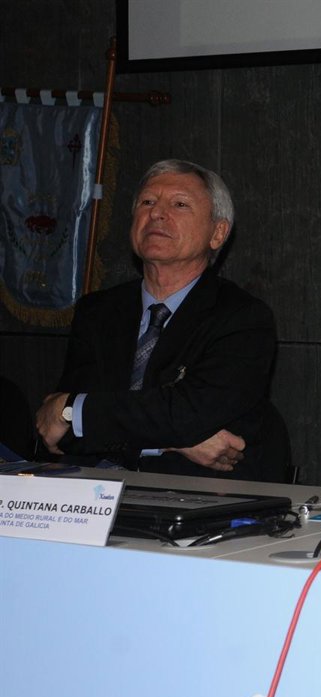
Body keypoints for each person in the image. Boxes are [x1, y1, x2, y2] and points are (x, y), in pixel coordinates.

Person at [34, 159, 284, 480]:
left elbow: (188, 414)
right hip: (94, 492)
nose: (156, 214)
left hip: (195, 494)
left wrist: (74, 411)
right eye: (147, 202)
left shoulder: (242, 317)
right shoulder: (98, 312)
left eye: (179, 204)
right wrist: (174, 443)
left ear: (218, 233)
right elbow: (58, 432)